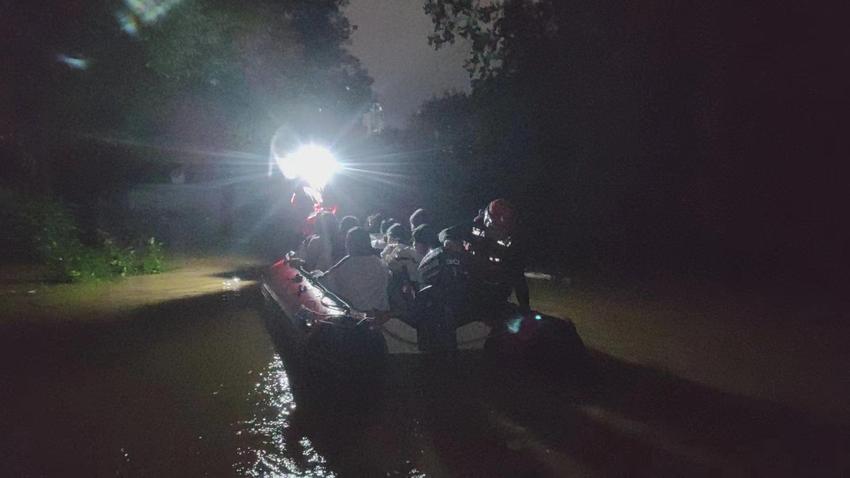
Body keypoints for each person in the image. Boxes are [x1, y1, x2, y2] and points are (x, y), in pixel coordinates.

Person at [465, 199, 530, 317]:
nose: (499, 232)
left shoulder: (513, 239)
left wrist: (525, 308)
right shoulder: (475, 226)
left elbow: (519, 277)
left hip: (497, 287)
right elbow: (447, 233)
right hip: (471, 285)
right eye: (496, 227)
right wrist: (449, 242)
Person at [317, 227, 390, 312]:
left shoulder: (348, 263)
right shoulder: (380, 263)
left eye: (347, 241)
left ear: (351, 244)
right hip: (379, 312)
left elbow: (323, 282)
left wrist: (316, 274)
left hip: (355, 315)